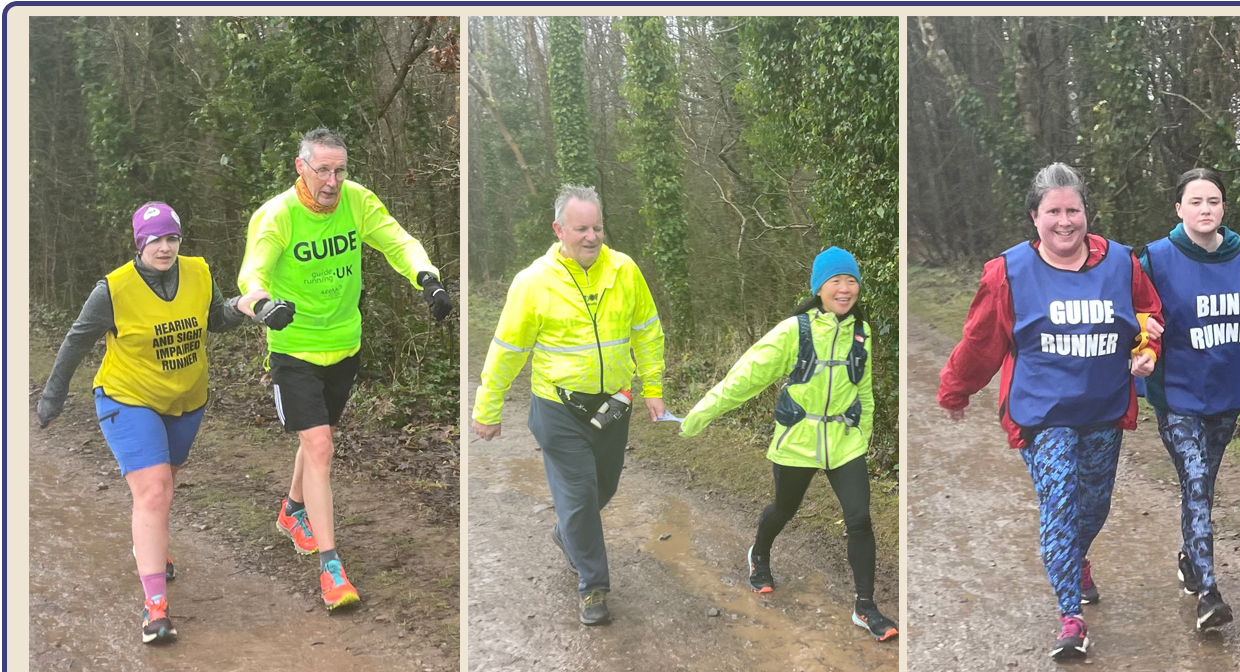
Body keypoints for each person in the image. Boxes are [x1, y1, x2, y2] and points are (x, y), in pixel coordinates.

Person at [937, 162, 1163, 659]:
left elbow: (1149, 313)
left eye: (1074, 210)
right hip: (1041, 414)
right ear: (1034, 218)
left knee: (1094, 504)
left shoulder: (1122, 263)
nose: (1065, 221)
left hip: (1104, 407)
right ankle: (1071, 618)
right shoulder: (1008, 273)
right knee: (1060, 501)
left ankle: (1077, 559)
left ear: (1087, 213)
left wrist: (1147, 348)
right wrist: (956, 388)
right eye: (1053, 212)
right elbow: (981, 341)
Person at [37, 202, 278, 643]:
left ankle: (152, 549)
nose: (164, 248)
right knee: (153, 491)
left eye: (171, 238)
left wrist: (241, 306)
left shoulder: (199, 271)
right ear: (139, 243)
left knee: (165, 485)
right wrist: (53, 396)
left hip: (187, 399)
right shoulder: (113, 290)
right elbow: (76, 340)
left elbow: (213, 320)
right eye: (155, 241)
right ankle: (156, 610)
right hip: (127, 398)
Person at [237, 127, 453, 612]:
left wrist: (426, 278)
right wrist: (264, 305)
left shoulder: (356, 202)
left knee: (318, 440)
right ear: (301, 168)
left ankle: (293, 511)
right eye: (324, 170)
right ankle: (332, 569)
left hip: (345, 346)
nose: (333, 181)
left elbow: (397, 241)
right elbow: (252, 274)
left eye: (340, 170)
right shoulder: (277, 216)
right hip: (294, 350)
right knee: (320, 445)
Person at [472, 184, 667, 626]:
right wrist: (488, 406)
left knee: (604, 489)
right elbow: (507, 348)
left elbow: (647, 332)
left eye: (598, 227)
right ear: (559, 229)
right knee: (579, 494)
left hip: (613, 404)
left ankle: (567, 534)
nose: (592, 237)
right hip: (557, 409)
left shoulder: (625, 271)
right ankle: (593, 586)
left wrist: (652, 386)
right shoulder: (533, 283)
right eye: (582, 228)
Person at [680, 247, 897, 641]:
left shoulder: (862, 334)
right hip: (797, 440)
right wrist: (701, 413)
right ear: (819, 288)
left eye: (851, 281)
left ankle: (865, 606)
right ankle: (759, 554)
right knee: (784, 508)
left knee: (860, 519)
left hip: (844, 441)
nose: (845, 289)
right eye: (836, 281)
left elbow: (864, 393)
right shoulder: (793, 331)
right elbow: (745, 376)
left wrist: (861, 434)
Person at [1138, 168, 1240, 629]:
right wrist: (1129, 378)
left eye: (1213, 201)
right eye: (1195, 202)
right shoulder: (1156, 260)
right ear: (1178, 209)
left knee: (1202, 489)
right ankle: (1209, 592)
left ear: (1224, 207)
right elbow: (1135, 321)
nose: (1205, 209)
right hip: (1178, 397)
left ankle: (1192, 558)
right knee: (1193, 481)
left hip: (1226, 396)